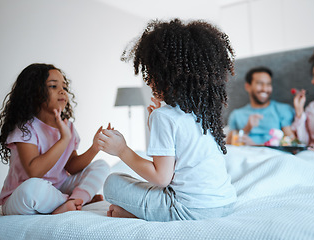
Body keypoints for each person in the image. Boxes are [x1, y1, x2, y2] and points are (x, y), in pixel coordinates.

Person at [98, 19, 237, 221]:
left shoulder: (165, 116)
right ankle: (138, 211)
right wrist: (152, 123)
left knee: (112, 182)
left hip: (189, 210)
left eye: (151, 72)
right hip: (224, 203)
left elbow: (161, 178)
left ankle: (141, 213)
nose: (149, 80)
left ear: (165, 75)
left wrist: (122, 150)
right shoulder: (204, 113)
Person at [0, 63, 110, 215]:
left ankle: (73, 201)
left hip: (58, 187)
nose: (62, 91)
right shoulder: (25, 128)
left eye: (64, 87)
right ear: (34, 93)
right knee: (32, 189)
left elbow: (72, 167)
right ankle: (74, 201)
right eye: (53, 86)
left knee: (101, 166)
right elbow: (34, 172)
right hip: (22, 192)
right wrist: (64, 139)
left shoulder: (68, 126)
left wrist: (95, 148)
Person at [226, 67, 295, 145]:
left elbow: (291, 142)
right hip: (245, 153)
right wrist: (246, 129)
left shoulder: (283, 109)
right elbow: (228, 145)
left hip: (273, 154)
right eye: (260, 84)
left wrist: (255, 145)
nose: (265, 89)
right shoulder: (236, 115)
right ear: (248, 86)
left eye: (268, 84)